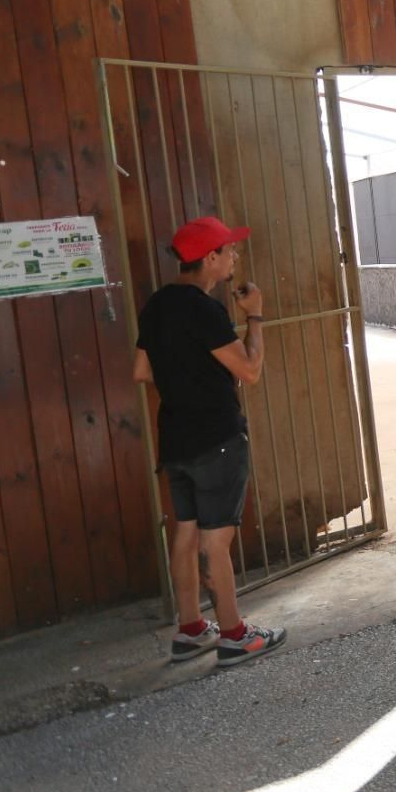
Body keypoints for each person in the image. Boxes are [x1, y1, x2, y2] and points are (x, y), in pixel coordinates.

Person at [133, 216, 287, 666]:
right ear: (210, 258)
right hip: (217, 437)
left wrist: (183, 378)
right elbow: (251, 371)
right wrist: (255, 317)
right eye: (229, 249)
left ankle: (191, 630)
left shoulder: (157, 305)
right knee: (215, 542)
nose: (235, 256)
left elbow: (142, 372)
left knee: (185, 532)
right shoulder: (205, 310)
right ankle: (236, 635)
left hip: (175, 437)